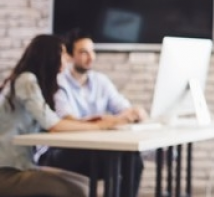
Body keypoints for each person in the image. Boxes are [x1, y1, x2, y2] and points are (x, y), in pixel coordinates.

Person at [0, 34, 120, 197]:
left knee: (85, 184)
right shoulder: (27, 80)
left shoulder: (32, 81)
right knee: (81, 190)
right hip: (7, 171)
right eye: (63, 54)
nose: (67, 59)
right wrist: (99, 126)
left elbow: (50, 122)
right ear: (50, 56)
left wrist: (84, 122)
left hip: (24, 166)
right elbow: (53, 125)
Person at [37, 29, 146, 197]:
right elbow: (68, 118)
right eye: (83, 52)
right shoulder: (59, 82)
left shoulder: (100, 80)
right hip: (61, 151)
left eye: (92, 51)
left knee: (133, 159)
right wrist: (109, 122)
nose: (91, 57)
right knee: (112, 159)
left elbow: (122, 106)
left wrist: (133, 113)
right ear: (70, 55)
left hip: (93, 149)